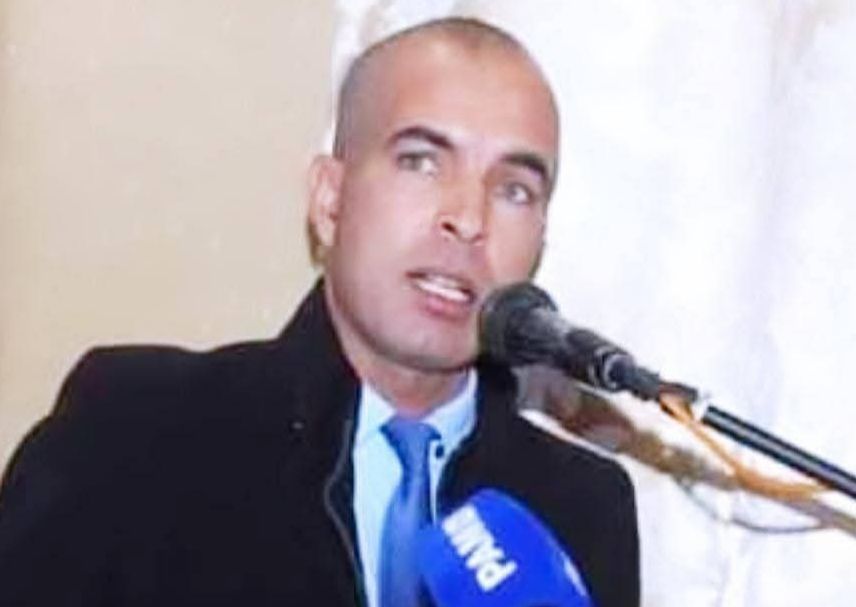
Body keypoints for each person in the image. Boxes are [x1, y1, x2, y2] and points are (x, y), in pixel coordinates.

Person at [0, 17, 639, 607]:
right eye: (421, 162)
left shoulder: (580, 508)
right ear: (330, 201)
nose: (469, 218)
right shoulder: (136, 430)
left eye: (515, 190)